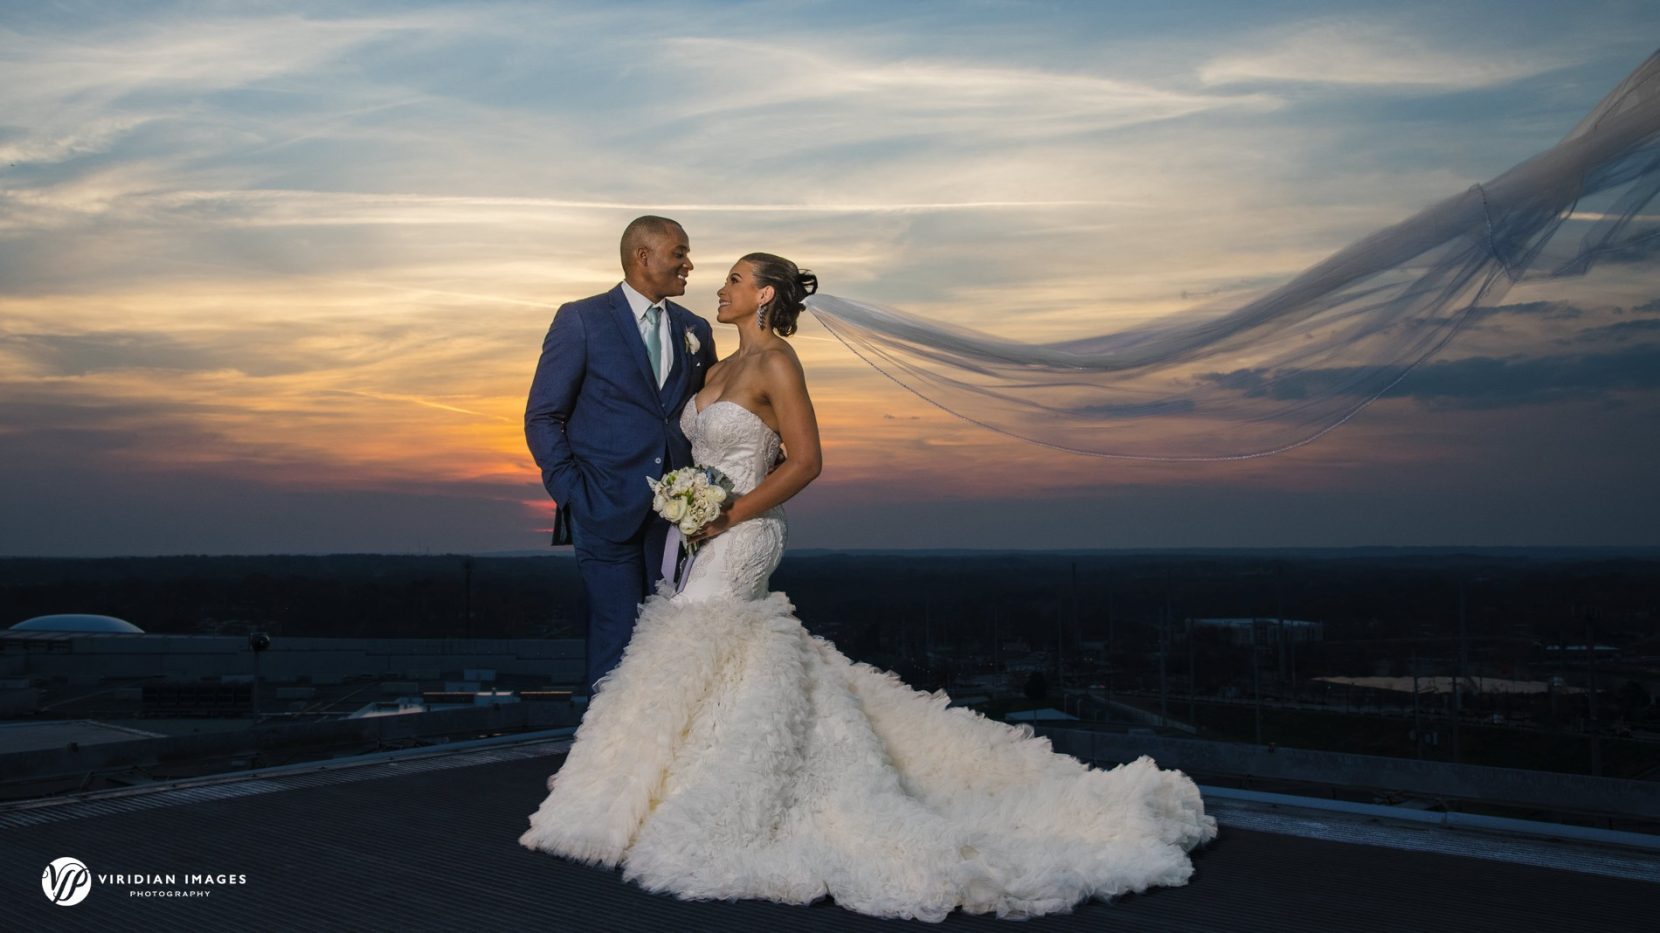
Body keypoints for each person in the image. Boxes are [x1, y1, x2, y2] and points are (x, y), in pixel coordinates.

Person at [519, 253, 1217, 922]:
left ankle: (706, 801)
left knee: (695, 644)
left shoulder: (779, 362)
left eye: (733, 278)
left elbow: (808, 461)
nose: (716, 285)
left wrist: (730, 511)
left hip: (744, 533)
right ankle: (660, 789)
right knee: (720, 661)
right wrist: (685, 504)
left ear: (765, 294)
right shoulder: (715, 357)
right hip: (697, 534)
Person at [524, 216, 719, 694]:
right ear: (643, 256)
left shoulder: (695, 329)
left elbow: (708, 415)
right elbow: (544, 416)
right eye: (680, 253)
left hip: (677, 517)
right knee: (616, 639)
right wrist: (572, 491)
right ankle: (600, 764)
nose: (689, 265)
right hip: (603, 506)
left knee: (668, 641)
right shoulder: (582, 319)